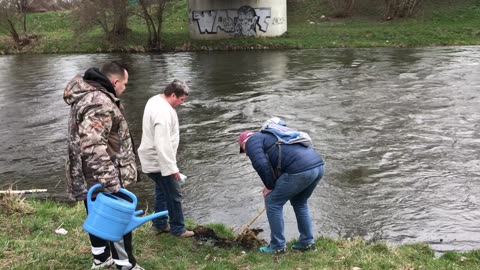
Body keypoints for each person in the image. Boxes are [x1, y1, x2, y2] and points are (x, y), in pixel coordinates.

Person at [64, 61, 143, 270]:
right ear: (115, 82)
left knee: (96, 214)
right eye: (125, 84)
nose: (124, 89)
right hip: (104, 173)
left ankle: (101, 259)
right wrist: (111, 183)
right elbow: (93, 144)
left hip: (88, 174)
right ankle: (125, 265)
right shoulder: (101, 102)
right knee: (118, 217)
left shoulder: (86, 94)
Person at [238, 118, 325, 254]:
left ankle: (277, 246)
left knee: (272, 202)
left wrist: (270, 186)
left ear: (243, 143)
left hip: (300, 170)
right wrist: (273, 184)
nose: (246, 153)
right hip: (317, 166)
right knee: (300, 203)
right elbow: (281, 163)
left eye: (243, 150)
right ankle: (307, 242)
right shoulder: (272, 136)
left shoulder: (252, 141)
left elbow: (261, 165)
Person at [137, 79, 194, 238]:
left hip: (151, 159)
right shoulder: (163, 111)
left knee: (162, 191)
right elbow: (162, 143)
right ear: (173, 95)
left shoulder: (155, 100)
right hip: (158, 162)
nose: (182, 103)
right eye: (181, 99)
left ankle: (160, 224)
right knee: (175, 195)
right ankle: (178, 229)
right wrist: (172, 169)